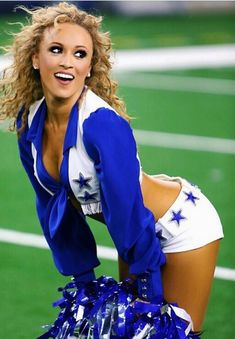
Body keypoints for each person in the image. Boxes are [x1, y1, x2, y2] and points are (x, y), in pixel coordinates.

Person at [0, 2, 223, 338]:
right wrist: (82, 278)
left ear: (90, 66)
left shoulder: (100, 124)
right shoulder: (29, 122)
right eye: (56, 50)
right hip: (134, 232)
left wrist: (147, 283)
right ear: (35, 57)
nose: (67, 62)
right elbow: (50, 206)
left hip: (179, 225)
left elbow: (127, 210)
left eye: (80, 54)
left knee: (168, 332)